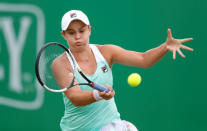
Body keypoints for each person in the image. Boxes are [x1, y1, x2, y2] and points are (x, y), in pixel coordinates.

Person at [52, 10, 193, 131]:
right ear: (64, 35)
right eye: (71, 33)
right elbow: (75, 97)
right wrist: (98, 95)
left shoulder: (106, 52)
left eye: (82, 31)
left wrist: (165, 47)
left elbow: (144, 60)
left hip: (110, 125)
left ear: (89, 30)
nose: (77, 36)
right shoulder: (61, 63)